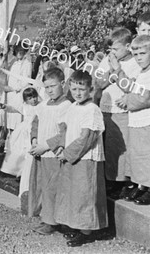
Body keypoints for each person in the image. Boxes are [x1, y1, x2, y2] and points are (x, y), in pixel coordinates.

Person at [49, 70, 108, 247]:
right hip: (72, 155)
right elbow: (65, 130)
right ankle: (76, 225)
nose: (77, 93)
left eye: (82, 89)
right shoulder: (73, 107)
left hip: (85, 158)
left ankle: (87, 231)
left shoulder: (92, 109)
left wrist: (67, 154)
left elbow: (86, 139)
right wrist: (59, 147)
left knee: (85, 193)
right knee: (72, 192)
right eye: (74, 89)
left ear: (90, 89)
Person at [115, 35, 150, 205]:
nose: (139, 57)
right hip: (141, 122)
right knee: (141, 156)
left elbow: (145, 98)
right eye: (136, 54)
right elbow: (133, 88)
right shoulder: (143, 72)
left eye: (142, 53)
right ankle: (143, 186)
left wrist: (127, 101)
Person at [95, 27, 142, 199]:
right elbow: (99, 83)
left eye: (116, 49)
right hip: (105, 109)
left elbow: (129, 87)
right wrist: (111, 70)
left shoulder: (135, 64)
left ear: (128, 46)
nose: (112, 53)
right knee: (107, 147)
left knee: (120, 149)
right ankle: (110, 180)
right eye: (110, 49)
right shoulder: (107, 61)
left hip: (121, 111)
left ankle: (122, 182)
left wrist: (117, 70)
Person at [29, 67, 72, 235]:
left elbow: (64, 132)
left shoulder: (66, 105)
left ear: (62, 83)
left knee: (52, 187)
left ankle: (52, 221)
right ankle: (45, 216)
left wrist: (45, 146)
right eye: (46, 87)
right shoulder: (43, 105)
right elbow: (35, 123)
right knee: (42, 185)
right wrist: (34, 140)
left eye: (53, 86)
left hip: (52, 152)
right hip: (40, 152)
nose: (49, 90)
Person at [0, 86, 40, 178]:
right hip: (24, 130)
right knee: (20, 150)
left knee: (30, 150)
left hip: (35, 128)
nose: (33, 100)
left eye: (35, 97)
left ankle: (28, 172)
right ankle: (19, 170)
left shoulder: (40, 106)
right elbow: (13, 109)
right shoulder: (25, 107)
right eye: (30, 98)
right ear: (25, 100)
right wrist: (5, 107)